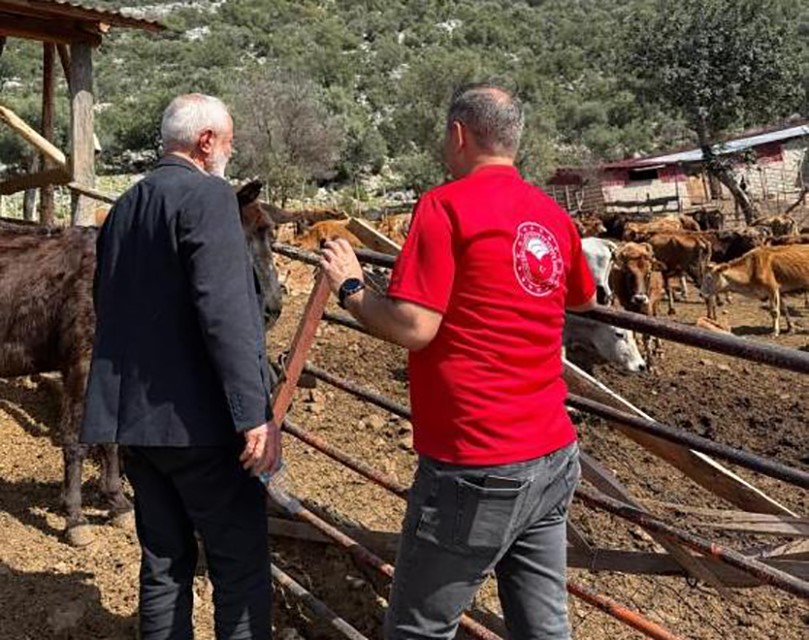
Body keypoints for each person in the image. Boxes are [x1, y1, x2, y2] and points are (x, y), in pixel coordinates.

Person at [320, 83, 596, 640]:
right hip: (551, 453)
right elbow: (581, 297)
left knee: (419, 628)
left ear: (458, 135)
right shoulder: (551, 215)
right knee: (544, 628)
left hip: (476, 460)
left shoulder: (445, 205)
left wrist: (351, 287)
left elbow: (414, 327)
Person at [81, 93, 280, 640]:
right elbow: (228, 317)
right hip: (201, 427)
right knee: (238, 567)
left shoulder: (126, 205)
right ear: (207, 140)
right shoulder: (210, 198)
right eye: (230, 140)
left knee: (163, 565)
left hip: (137, 427)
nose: (230, 153)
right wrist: (253, 417)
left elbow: (107, 300)